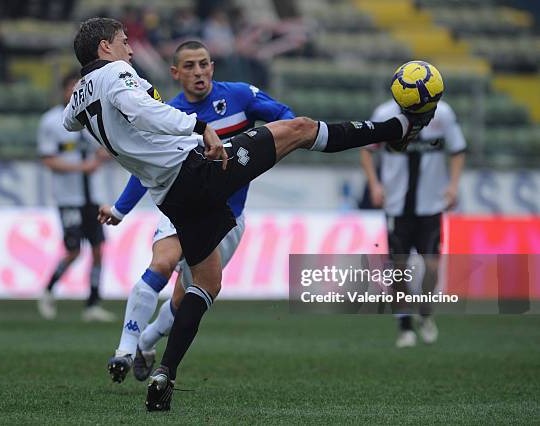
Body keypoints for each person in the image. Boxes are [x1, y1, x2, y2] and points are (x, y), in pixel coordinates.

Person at [64, 17, 432, 411]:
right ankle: (396, 129)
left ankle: (163, 374)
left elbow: (72, 121)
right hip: (198, 172)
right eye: (123, 42)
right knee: (301, 129)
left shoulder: (78, 99)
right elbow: (142, 109)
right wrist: (199, 125)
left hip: (172, 198)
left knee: (205, 282)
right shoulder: (117, 72)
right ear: (105, 48)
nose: (131, 49)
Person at [98, 40, 295, 384]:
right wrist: (120, 209)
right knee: (161, 263)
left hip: (227, 218)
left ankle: (147, 340)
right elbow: (145, 170)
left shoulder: (239, 96)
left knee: (184, 297)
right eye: (189, 66)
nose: (198, 72)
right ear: (175, 73)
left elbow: (286, 118)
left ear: (213, 67)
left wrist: (261, 148)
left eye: (203, 64)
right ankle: (125, 350)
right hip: (180, 206)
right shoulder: (167, 114)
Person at [360, 99, 466, 348]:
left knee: (431, 267)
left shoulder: (444, 114)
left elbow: (458, 149)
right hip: (397, 207)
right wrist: (374, 184)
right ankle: (404, 325)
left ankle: (425, 313)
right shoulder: (384, 113)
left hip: (431, 207)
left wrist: (452, 185)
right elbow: (367, 149)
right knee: (399, 267)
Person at [37, 71, 115, 322]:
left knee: (98, 250)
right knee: (73, 251)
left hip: (94, 196)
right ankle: (48, 290)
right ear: (63, 91)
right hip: (69, 197)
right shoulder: (51, 121)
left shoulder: (95, 118)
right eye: (70, 88)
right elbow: (49, 160)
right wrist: (83, 167)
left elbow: (109, 148)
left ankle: (92, 304)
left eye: (78, 89)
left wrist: (105, 153)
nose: (74, 94)